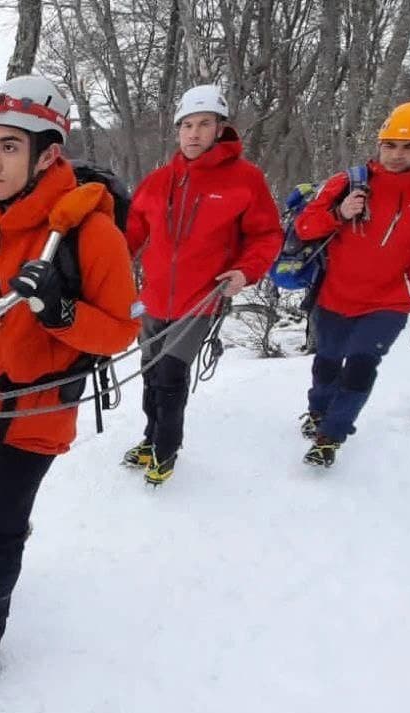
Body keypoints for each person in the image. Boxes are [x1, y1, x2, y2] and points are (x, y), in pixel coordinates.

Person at [0, 74, 139, 696]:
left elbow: (121, 330)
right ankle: (1, 534)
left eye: (10, 147)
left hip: (39, 407)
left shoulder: (91, 234)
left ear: (48, 153)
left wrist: (60, 311)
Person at [121, 84, 283, 485]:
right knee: (148, 371)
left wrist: (245, 272)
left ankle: (165, 449)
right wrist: (106, 267)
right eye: (187, 125)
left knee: (171, 376)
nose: (193, 134)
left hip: (200, 299)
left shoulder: (245, 179)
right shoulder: (159, 181)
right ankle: (149, 436)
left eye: (204, 124)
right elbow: (130, 233)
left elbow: (266, 236)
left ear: (220, 128)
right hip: (152, 298)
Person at [295, 101, 410, 467]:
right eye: (389, 145)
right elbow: (305, 228)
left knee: (361, 364)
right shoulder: (349, 181)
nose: (396, 155)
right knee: (327, 360)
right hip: (335, 293)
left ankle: (333, 435)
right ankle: (317, 411)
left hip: (390, 300)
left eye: (409, 147)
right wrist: (339, 214)